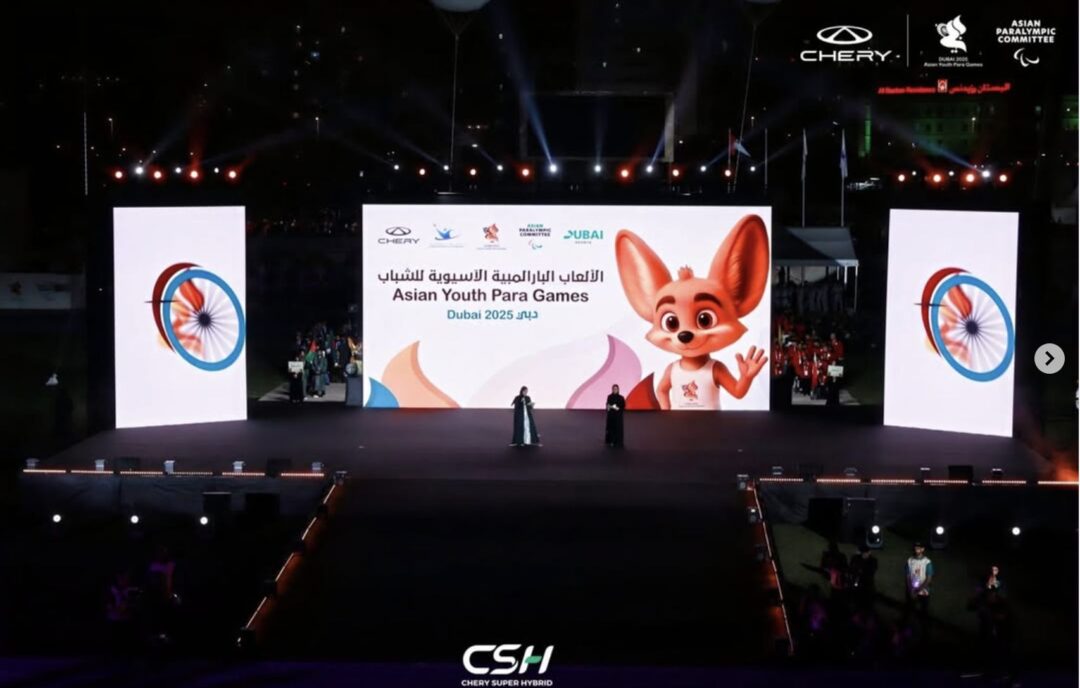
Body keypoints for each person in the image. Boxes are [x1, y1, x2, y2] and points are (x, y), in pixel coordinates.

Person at [905, 542, 933, 618]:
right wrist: (911, 590)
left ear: (923, 549)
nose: (916, 549)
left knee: (924, 614)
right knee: (909, 612)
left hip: (924, 592)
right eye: (915, 547)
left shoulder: (927, 562)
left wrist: (917, 591)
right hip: (911, 591)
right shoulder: (909, 561)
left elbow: (928, 579)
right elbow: (907, 577)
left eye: (918, 548)